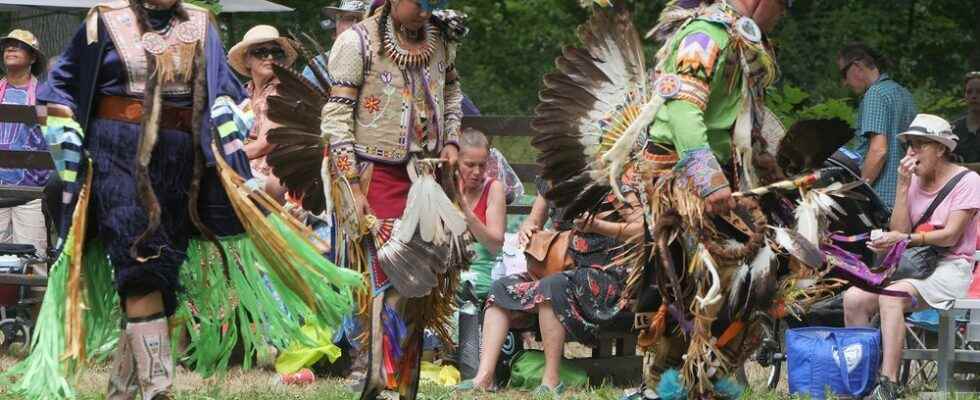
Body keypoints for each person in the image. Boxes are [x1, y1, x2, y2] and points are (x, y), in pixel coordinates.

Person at [5, 1, 361, 399]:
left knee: (161, 274)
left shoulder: (200, 22)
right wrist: (70, 142)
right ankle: (160, 390)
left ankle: (122, 391)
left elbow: (224, 92)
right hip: (118, 158)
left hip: (181, 169)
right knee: (140, 263)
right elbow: (60, 88)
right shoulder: (104, 20)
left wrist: (227, 124)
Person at [319, 0, 467, 398]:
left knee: (419, 286)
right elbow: (336, 118)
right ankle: (375, 378)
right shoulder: (357, 43)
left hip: (427, 177)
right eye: (419, 3)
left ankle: (404, 386)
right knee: (389, 279)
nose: (425, 11)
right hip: (375, 176)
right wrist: (351, 186)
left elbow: (452, 92)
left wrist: (451, 138)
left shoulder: (441, 39)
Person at [458, 174, 642, 395]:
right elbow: (533, 220)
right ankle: (484, 377)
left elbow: (641, 229)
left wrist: (598, 226)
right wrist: (528, 228)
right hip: (558, 267)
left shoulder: (610, 178)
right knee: (501, 288)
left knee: (552, 287)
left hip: (605, 275)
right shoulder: (551, 177)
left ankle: (551, 380)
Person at [842, 114, 980, 400]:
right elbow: (900, 230)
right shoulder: (914, 180)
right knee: (853, 298)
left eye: (918, 145)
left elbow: (951, 235)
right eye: (908, 146)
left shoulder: (969, 181)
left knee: (891, 295)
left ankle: (888, 384)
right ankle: (859, 380)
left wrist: (905, 239)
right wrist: (903, 187)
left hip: (951, 268)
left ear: (940, 148)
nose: (910, 153)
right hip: (916, 266)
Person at [838, 42, 917, 208]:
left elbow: (879, 151)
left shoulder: (875, 94)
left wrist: (858, 190)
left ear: (857, 66)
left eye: (843, 74)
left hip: (879, 199)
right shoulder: (904, 93)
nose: (844, 82)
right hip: (906, 197)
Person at [228, 25, 298, 202]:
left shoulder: (283, 92)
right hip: (245, 161)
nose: (270, 57)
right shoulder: (243, 92)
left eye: (276, 52)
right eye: (261, 52)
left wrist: (224, 156)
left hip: (272, 170)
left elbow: (263, 145)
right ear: (247, 60)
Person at [0, 29, 50, 264]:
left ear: (32, 58)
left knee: (34, 259)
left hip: (31, 192)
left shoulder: (45, 96)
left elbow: (59, 144)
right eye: (8, 45)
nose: (10, 49)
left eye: (18, 46)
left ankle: (35, 303)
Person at [456, 128, 506, 299]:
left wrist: (465, 211)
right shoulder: (444, 186)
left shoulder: (493, 188)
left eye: (482, 165)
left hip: (482, 269)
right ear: (456, 161)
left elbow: (495, 245)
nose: (477, 172)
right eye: (470, 165)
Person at [301, 0, 369, 86]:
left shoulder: (386, 59)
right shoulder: (316, 66)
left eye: (362, 19)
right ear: (337, 24)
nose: (355, 25)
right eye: (349, 19)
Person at [952, 71, 980, 166]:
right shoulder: (953, 129)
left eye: (979, 91)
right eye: (969, 92)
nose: (974, 96)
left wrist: (962, 168)